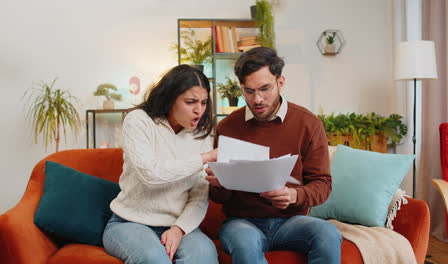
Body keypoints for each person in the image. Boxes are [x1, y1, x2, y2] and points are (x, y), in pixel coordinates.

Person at [206, 47, 342, 264]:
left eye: (265, 89)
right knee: (244, 244)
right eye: (248, 91)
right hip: (241, 222)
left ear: (281, 82)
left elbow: (323, 184)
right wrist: (219, 183)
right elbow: (218, 197)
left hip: (292, 221)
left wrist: (294, 195)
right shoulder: (228, 127)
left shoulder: (308, 124)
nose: (257, 99)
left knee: (327, 234)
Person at [103, 64, 218, 264]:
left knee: (205, 256)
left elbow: (199, 196)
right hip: (129, 223)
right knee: (154, 259)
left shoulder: (202, 136)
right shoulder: (138, 121)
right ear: (170, 98)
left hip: (179, 225)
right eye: (190, 102)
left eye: (204, 102)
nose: (198, 110)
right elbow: (151, 175)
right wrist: (204, 158)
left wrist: (179, 229)